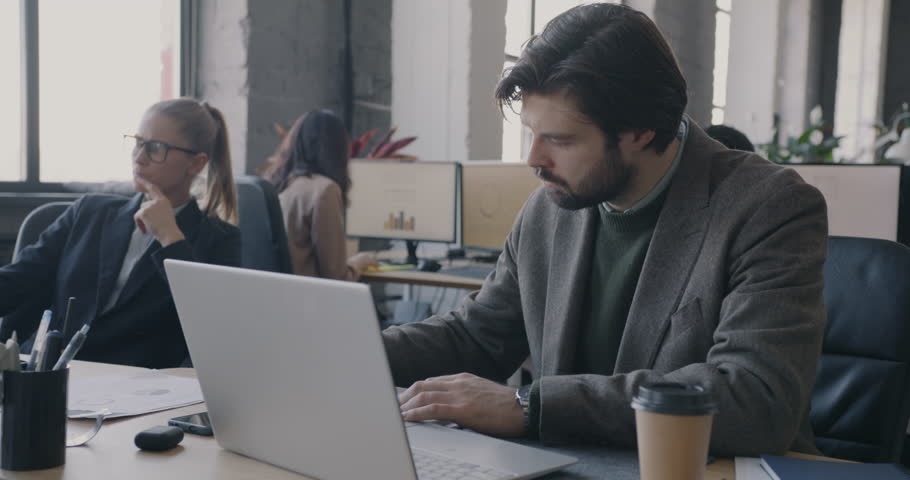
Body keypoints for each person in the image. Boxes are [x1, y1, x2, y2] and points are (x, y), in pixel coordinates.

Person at [383, 3, 827, 457]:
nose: (534, 160)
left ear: (641, 131)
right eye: (531, 133)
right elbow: (477, 336)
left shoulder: (769, 207)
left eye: (560, 140)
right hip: (573, 465)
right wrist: (352, 349)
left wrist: (530, 406)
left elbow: (755, 399)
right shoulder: (548, 208)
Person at [0, 98, 241, 369]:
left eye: (156, 148)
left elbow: (212, 330)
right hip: (48, 377)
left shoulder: (219, 239)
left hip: (134, 390)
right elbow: (19, 280)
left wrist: (170, 238)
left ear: (196, 164)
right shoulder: (89, 212)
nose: (139, 157)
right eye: (138, 142)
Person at [262, 110, 376, 281]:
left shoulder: (278, 185)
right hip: (310, 299)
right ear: (338, 149)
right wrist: (358, 262)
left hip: (277, 295)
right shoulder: (324, 190)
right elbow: (337, 277)